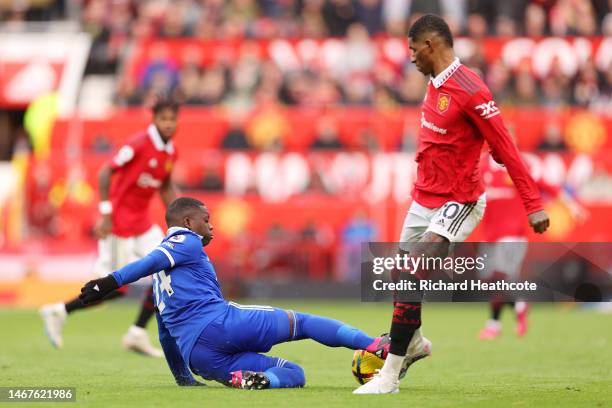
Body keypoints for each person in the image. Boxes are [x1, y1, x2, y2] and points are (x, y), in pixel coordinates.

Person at [353, 14, 550, 394]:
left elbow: (506, 147)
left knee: (411, 273)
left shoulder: (471, 89)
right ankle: (415, 344)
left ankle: (389, 377)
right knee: (398, 276)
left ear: (430, 46)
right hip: (423, 198)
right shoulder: (434, 83)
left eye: (413, 49)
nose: (409, 57)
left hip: (459, 201)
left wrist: (533, 204)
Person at [78, 197, 391, 389]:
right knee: (305, 323)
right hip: (221, 325)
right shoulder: (182, 240)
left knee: (295, 374)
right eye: (206, 220)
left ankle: (261, 381)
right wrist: (109, 282)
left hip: (201, 359)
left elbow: (164, 336)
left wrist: (184, 379)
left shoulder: (161, 287)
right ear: (188, 222)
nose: (211, 227)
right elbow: (150, 261)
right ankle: (376, 346)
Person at [40, 99, 181, 357]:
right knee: (115, 290)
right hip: (118, 226)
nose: (169, 124)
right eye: (164, 118)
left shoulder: (171, 152)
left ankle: (137, 332)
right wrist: (106, 214)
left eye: (173, 119)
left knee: (169, 267)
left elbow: (164, 186)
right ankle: (59, 310)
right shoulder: (138, 144)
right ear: (154, 119)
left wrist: (180, 214)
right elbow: (106, 172)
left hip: (143, 225)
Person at [478, 154, 587, 340]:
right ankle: (519, 306)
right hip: (489, 235)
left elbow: (550, 187)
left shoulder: (522, 166)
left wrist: (572, 206)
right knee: (488, 280)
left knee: (499, 277)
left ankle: (493, 325)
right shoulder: (481, 167)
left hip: (513, 234)